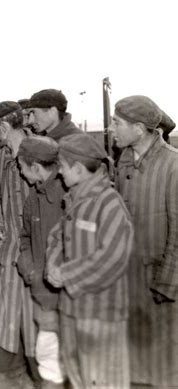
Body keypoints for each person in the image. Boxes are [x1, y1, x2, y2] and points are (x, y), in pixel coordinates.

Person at [46, 133, 134, 388]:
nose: (60, 174)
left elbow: (113, 257)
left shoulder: (108, 202)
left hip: (101, 313)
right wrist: (52, 265)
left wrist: (66, 274)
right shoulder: (75, 198)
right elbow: (57, 237)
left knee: (104, 380)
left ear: (78, 168)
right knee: (77, 374)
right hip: (73, 308)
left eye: (62, 167)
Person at [110, 95, 178, 387]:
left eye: (117, 123)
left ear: (139, 128)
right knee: (135, 359)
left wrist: (167, 284)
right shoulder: (124, 160)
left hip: (160, 282)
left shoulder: (173, 166)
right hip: (129, 277)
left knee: (164, 363)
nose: (112, 129)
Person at [0, 101, 36, 383]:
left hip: (34, 249)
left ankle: (39, 370)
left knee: (33, 312)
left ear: (3, 128)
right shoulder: (2, 155)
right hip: (6, 247)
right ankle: (7, 366)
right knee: (5, 310)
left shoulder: (40, 150)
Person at [17, 136, 66, 388]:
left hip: (68, 297)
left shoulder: (68, 195)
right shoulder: (33, 197)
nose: (20, 173)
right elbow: (24, 237)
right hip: (43, 292)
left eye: (21, 167)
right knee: (49, 356)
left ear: (35, 167)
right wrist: (29, 268)